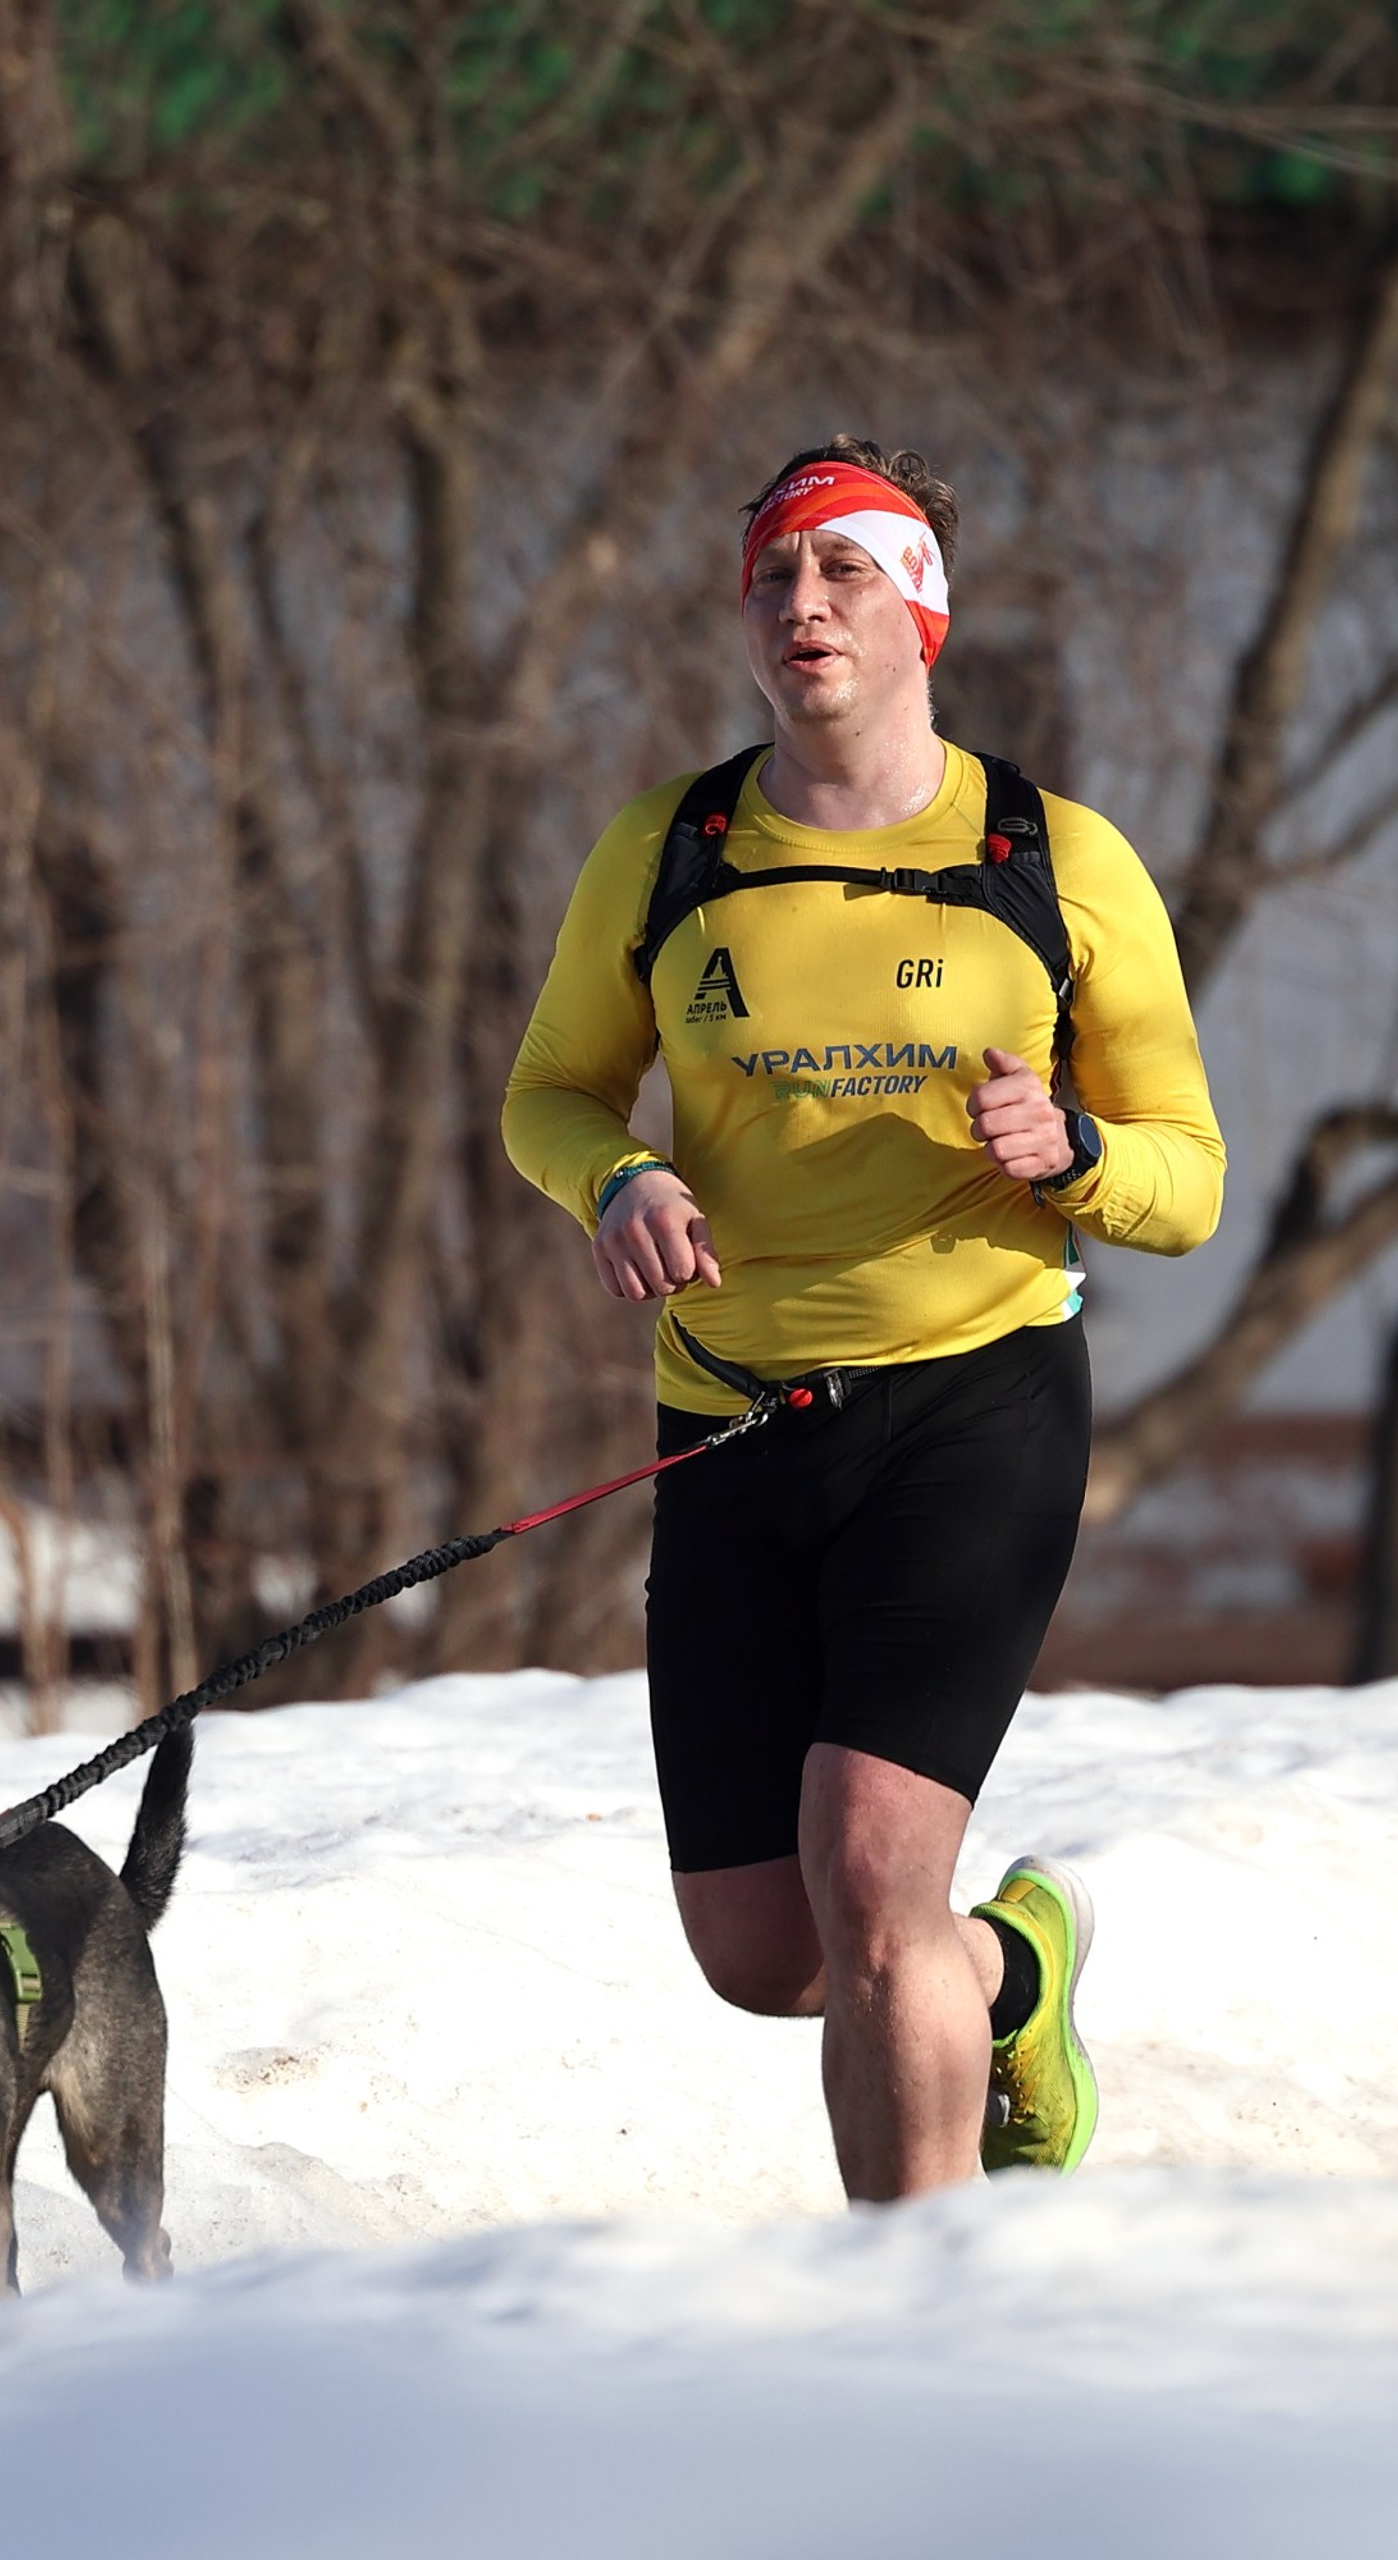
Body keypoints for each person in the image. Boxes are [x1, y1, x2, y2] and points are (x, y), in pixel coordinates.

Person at [501, 437, 1225, 2202]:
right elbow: (551, 1094)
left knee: (872, 1869)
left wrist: (1073, 1155)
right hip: (736, 1420)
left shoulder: (1050, 855)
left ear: (926, 612)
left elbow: (1190, 1178)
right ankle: (1016, 1975)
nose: (803, 606)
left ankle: (919, 2346)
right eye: (773, 577)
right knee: (771, 1950)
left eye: (846, 575)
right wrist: (617, 1184)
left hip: (971, 1408)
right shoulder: (671, 847)